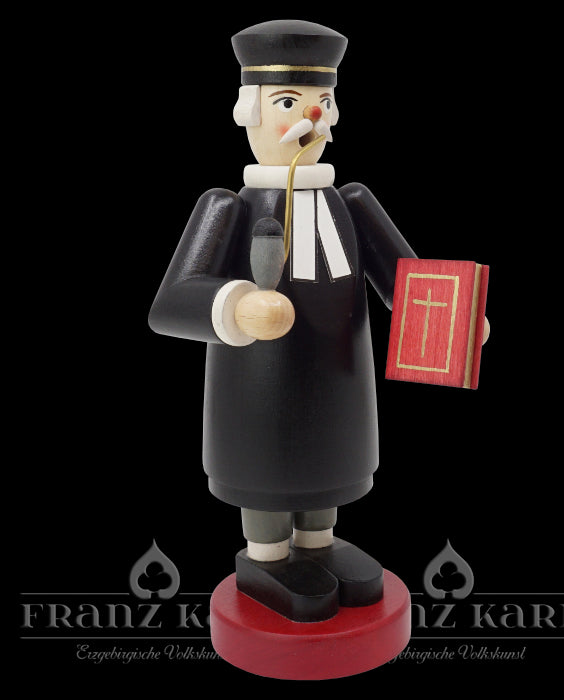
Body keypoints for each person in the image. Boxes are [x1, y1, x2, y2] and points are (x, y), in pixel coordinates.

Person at [149, 19, 420, 622]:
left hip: (340, 379)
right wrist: (238, 304)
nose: (314, 115)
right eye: (291, 103)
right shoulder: (226, 207)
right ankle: (267, 556)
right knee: (265, 471)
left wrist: (455, 323)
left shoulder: (352, 202)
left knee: (332, 463)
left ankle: (319, 545)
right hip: (257, 387)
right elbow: (172, 302)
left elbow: (405, 281)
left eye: (322, 100)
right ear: (249, 111)